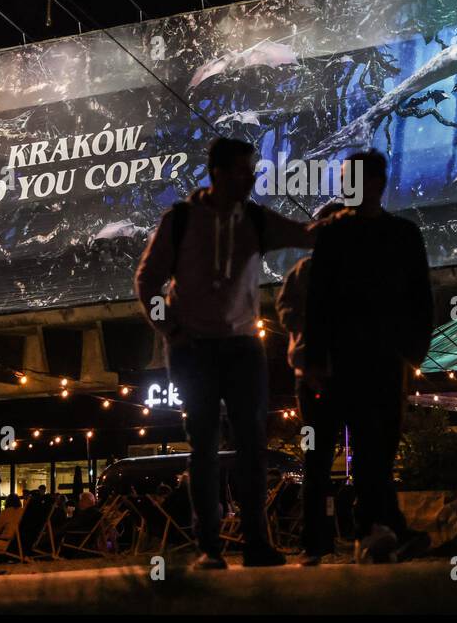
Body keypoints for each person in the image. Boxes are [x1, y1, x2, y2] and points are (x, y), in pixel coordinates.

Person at [135, 137, 319, 570]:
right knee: (202, 445)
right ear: (217, 172)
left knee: (253, 445)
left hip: (242, 348)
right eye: (242, 170)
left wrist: (335, 222)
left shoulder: (254, 219)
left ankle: (256, 544)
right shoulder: (180, 220)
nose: (251, 178)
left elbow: (303, 234)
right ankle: (209, 548)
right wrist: (170, 328)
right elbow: (148, 280)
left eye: (252, 170)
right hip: (192, 351)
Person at [304, 150, 434, 563]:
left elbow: (421, 298)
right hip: (346, 359)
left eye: (351, 178)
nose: (345, 186)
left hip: (384, 358)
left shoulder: (403, 235)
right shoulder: (333, 234)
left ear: (375, 183)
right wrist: (316, 357)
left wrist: (413, 351)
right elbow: (317, 300)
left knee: (378, 447)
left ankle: (377, 530)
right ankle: (377, 529)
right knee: (360, 448)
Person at [274, 200, 345, 565]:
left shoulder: (356, 273)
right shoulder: (303, 272)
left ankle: (367, 536)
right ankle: (316, 544)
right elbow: (284, 309)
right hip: (315, 378)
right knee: (316, 463)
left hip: (350, 375)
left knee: (339, 462)